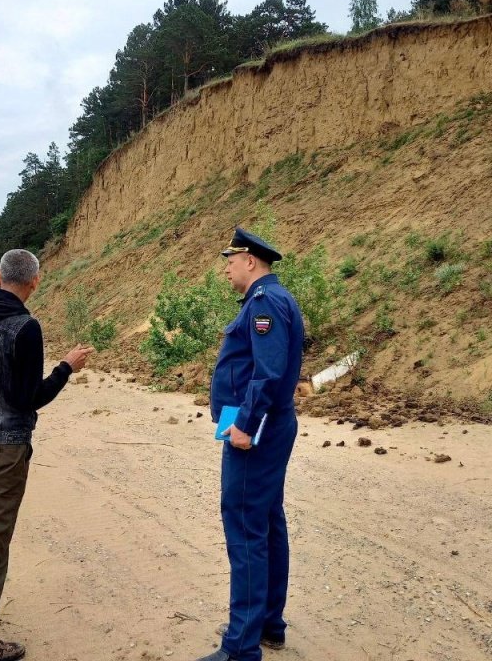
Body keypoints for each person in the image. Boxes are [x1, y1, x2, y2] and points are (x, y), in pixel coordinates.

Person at [0, 249, 92, 661]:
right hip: (6, 447)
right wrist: (66, 367)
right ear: (36, 281)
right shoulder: (26, 328)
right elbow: (31, 398)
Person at [196, 227, 305, 661]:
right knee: (266, 520)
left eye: (231, 259)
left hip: (255, 430)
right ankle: (266, 624)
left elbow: (268, 370)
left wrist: (244, 423)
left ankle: (240, 648)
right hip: (267, 425)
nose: (226, 266)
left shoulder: (265, 303)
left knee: (244, 525)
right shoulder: (270, 300)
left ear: (251, 262)